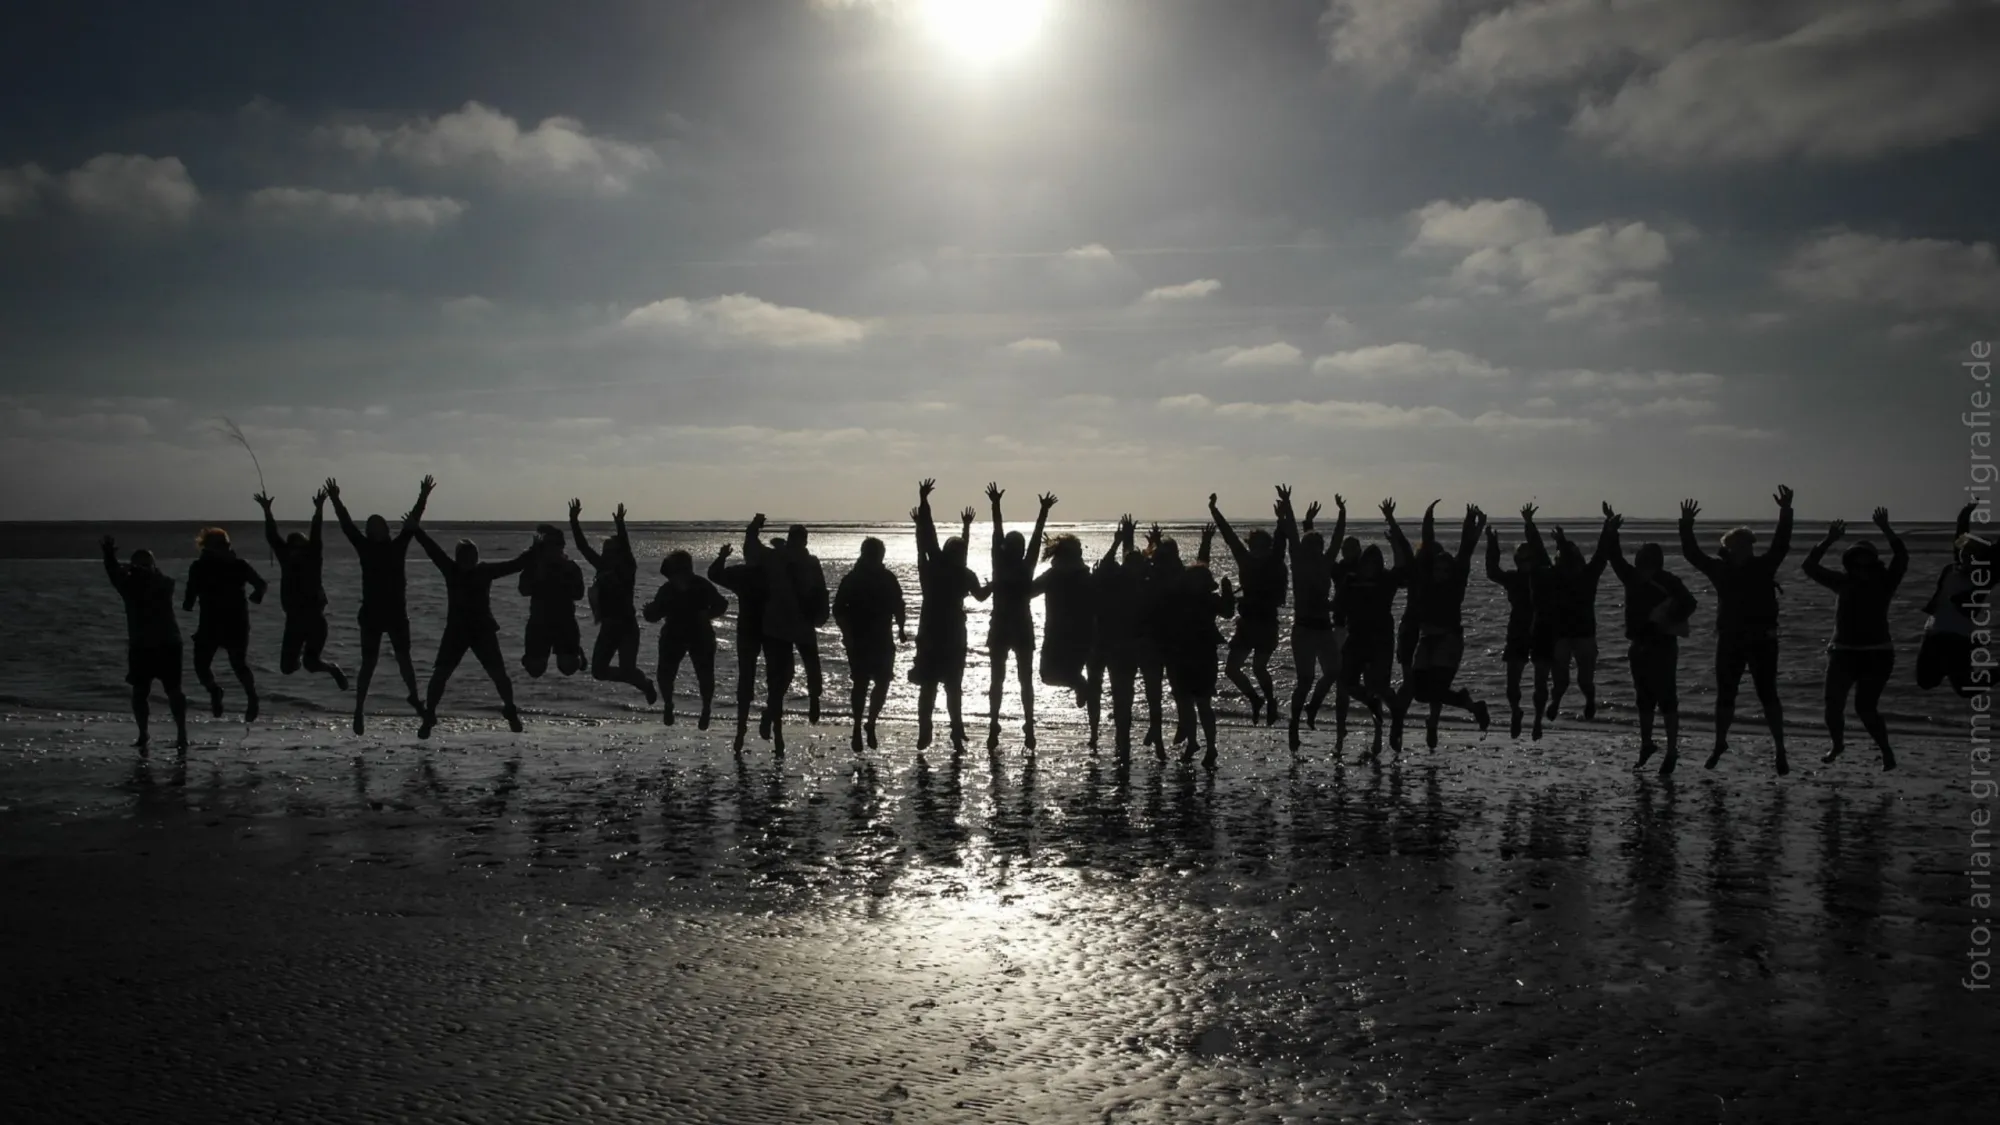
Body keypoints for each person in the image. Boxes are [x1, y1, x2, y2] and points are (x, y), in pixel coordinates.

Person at [1680, 485, 1794, 774]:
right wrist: (1686, 524)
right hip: (1730, 641)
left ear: (1751, 547)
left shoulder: (1764, 566)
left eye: (1746, 545)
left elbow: (1782, 543)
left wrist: (1785, 511)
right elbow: (1692, 554)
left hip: (1763, 641)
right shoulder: (1720, 570)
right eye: (1736, 546)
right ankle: (1720, 742)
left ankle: (1780, 748)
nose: (1742, 550)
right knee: (1726, 695)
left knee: (1768, 694)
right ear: (1729, 549)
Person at [1801, 508, 1908, 770]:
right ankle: (1837, 744)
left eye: (1866, 563)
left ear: (1873, 562)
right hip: (1842, 653)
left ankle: (1886, 751)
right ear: (1849, 564)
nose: (1861, 568)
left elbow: (1902, 556)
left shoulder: (1886, 582)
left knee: (1865, 707)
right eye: (1855, 563)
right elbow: (1809, 566)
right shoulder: (1841, 582)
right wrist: (1829, 540)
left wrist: (1886, 528)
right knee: (1832, 705)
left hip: (1877, 654)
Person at [326, 475, 434, 734]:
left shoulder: (398, 546)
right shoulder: (364, 548)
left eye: (379, 525)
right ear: (369, 532)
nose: (376, 528)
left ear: (386, 529)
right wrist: (336, 499)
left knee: (404, 660)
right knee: (369, 663)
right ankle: (359, 709)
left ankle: (415, 699)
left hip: (396, 613)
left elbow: (412, 523)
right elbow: (346, 526)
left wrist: (423, 495)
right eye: (372, 526)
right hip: (372, 614)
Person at [410, 520, 536, 739]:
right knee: (440, 675)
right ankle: (429, 715)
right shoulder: (451, 570)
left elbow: (514, 565)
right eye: (464, 558)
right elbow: (433, 550)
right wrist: (416, 530)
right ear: (458, 559)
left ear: (476, 558)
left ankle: (510, 709)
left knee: (499, 675)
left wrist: (536, 548)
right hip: (456, 632)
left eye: (471, 558)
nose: (468, 561)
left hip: (482, 630)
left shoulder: (484, 571)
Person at [1387, 503, 1491, 752]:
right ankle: (1470, 704)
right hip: (1426, 639)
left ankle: (1464, 707)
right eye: (1438, 568)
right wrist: (1424, 518)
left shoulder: (1456, 584)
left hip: (1448, 640)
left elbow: (1466, 550)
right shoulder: (1425, 581)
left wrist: (1472, 523)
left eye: (1446, 569)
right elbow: (1421, 545)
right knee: (1421, 691)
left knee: (1435, 689)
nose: (1442, 572)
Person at [1603, 503, 1699, 775]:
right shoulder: (1633, 578)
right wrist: (1611, 529)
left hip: (1663, 646)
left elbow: (1691, 603)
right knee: (1643, 699)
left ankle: (1671, 750)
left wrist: (1666, 620)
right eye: (1641, 560)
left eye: (1645, 560)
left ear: (1654, 563)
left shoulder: (1667, 581)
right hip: (1638, 646)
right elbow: (1614, 556)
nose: (1640, 564)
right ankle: (1647, 744)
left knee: (1667, 698)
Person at [910, 480, 991, 753]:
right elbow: (980, 595)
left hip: (932, 629)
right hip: (953, 632)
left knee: (929, 685)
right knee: (952, 685)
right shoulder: (963, 574)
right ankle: (955, 731)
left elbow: (927, 538)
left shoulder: (934, 567)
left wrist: (923, 507)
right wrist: (994, 583)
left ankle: (928, 730)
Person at [1208, 491, 1288, 726]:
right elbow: (1229, 535)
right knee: (1232, 670)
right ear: (1250, 546)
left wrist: (1282, 518)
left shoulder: (1274, 561)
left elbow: (1281, 540)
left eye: (1262, 546)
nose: (1257, 549)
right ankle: (1256, 700)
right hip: (1247, 624)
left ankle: (1270, 701)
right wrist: (1214, 510)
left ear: (1267, 547)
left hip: (1266, 623)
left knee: (1259, 667)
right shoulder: (1244, 558)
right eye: (1255, 545)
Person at [102, 535, 189, 753]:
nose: (142, 568)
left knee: (174, 690)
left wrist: (136, 571)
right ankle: (143, 733)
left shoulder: (163, 583)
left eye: (146, 564)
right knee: (140, 692)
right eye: (139, 564)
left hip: (167, 642)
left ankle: (181, 733)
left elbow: (160, 582)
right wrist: (109, 555)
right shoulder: (129, 586)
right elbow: (113, 573)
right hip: (143, 645)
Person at [983, 483, 1054, 751]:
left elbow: (1000, 534)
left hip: (1005, 626)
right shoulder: (1022, 566)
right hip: (1016, 627)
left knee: (1001, 679)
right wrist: (1042, 512)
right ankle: (1021, 726)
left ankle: (1002, 725)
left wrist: (997, 506)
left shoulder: (1004, 565)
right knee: (1018, 679)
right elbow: (1027, 538)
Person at [256, 487, 347, 693]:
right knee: (287, 668)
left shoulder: (313, 557)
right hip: (294, 620)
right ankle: (297, 659)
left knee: (311, 664)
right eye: (292, 547)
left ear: (305, 547)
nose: (296, 550)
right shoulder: (286, 559)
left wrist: (319, 509)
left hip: (315, 618)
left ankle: (332, 669)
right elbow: (272, 537)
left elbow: (316, 532)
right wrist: (267, 511)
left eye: (299, 546)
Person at [1159, 526, 1237, 767]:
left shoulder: (1196, 598)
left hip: (1194, 656)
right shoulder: (1186, 597)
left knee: (1199, 703)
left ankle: (1208, 746)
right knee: (1190, 704)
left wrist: (1227, 593)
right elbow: (1227, 611)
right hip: (1187, 655)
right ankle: (1196, 743)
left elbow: (1227, 611)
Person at [569, 499, 657, 705]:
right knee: (598, 672)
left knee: (628, 668)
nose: (606, 554)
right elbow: (583, 547)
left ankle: (645, 685)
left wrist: (620, 525)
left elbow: (626, 549)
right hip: (609, 627)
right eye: (605, 551)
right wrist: (573, 521)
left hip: (627, 626)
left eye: (611, 551)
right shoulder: (601, 567)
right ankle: (641, 681)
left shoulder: (628, 569)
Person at [1276, 486, 1340, 751]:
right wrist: (1288, 504)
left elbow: (1336, 539)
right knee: (1304, 680)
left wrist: (1342, 513)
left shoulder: (1325, 562)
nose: (1317, 549)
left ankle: (1313, 708)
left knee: (1333, 672)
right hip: (1303, 628)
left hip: (1324, 628)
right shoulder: (1299, 563)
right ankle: (1293, 725)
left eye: (1319, 546)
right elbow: (1292, 535)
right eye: (1312, 545)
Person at [182, 526, 268, 722]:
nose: (224, 548)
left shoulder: (238, 565)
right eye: (221, 545)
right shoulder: (201, 566)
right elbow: (190, 591)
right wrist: (188, 602)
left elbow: (261, 584)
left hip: (232, 622)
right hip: (214, 622)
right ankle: (216, 691)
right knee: (203, 665)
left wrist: (258, 594)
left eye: (226, 545)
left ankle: (251, 698)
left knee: (237, 665)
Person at [833, 536, 908, 752]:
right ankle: (858, 726)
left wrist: (901, 629)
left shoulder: (886, 578)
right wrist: (846, 631)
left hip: (880, 638)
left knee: (880, 682)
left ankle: (869, 723)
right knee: (863, 683)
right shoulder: (854, 578)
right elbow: (838, 609)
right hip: (860, 639)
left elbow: (898, 605)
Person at [1484, 504, 1550, 740]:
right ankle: (1516, 712)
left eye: (1529, 559)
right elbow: (1492, 571)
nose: (1526, 563)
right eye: (1521, 559)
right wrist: (1492, 544)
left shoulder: (1544, 575)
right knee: (1513, 683)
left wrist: (1529, 524)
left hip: (1542, 629)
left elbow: (1541, 552)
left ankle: (1538, 722)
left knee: (1541, 682)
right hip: (1518, 629)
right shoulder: (1513, 579)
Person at [1032, 529, 1103, 747]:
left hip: (1057, 634)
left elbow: (1030, 591)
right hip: (1085, 635)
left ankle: (1077, 683)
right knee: (1091, 685)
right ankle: (1093, 734)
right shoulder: (1086, 576)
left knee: (1048, 675)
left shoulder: (1053, 575)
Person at [644, 549, 728, 728]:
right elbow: (655, 614)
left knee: (705, 675)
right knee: (664, 675)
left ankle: (706, 708)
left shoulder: (701, 585)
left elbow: (722, 604)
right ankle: (668, 704)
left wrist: (707, 615)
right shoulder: (667, 589)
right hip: (673, 633)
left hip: (700, 633)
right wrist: (649, 612)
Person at [1093, 516, 1153, 756]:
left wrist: (1126, 540)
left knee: (1124, 695)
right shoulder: (1119, 579)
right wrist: (1121, 541)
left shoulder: (1144, 584)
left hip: (1127, 647)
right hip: (1112, 645)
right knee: (1120, 694)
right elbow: (1112, 564)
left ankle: (1122, 737)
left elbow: (1127, 561)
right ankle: (1116, 737)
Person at [1544, 519, 1613, 721]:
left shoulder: (1585, 576)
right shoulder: (1557, 576)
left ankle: (1588, 701)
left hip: (1581, 634)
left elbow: (1601, 555)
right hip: (1566, 634)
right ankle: (1557, 701)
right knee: (1562, 681)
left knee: (1583, 680)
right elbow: (1600, 555)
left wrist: (1608, 529)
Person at [1917, 500, 1988, 696]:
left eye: (1973, 556)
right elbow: (1960, 537)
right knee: (1925, 681)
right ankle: (1949, 665)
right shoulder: (1951, 569)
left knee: (1966, 690)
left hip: (1958, 637)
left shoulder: (1982, 578)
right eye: (1965, 553)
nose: (1967, 557)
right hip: (1933, 632)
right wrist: (1966, 513)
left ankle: (1957, 664)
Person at [708, 535, 771, 754]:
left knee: (747, 677)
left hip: (753, 629)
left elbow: (714, 574)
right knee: (768, 676)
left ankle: (742, 728)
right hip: (768, 630)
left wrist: (722, 557)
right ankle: (751, 723)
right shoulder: (770, 572)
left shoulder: (743, 573)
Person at [519, 523, 586, 679]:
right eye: (547, 546)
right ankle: (529, 658)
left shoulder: (570, 567)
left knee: (568, 668)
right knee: (535, 670)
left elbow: (579, 594)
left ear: (561, 547)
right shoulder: (534, 565)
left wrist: (562, 578)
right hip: (539, 621)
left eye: (555, 546)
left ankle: (576, 653)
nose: (551, 551)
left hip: (564, 621)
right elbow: (523, 590)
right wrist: (538, 573)